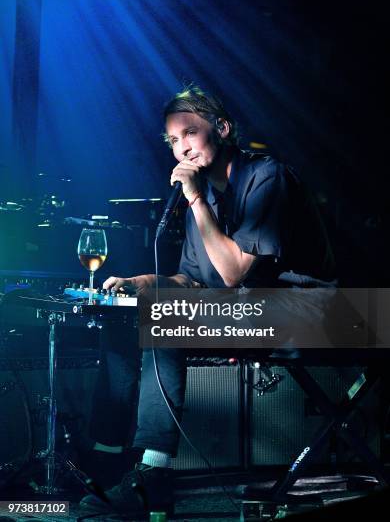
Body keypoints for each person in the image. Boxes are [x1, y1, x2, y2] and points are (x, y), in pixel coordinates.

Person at [80, 86, 336, 516]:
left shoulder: (265, 177)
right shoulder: (205, 199)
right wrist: (143, 282)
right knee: (123, 323)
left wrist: (195, 199)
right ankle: (106, 460)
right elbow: (193, 281)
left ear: (222, 128)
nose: (182, 149)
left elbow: (234, 271)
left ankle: (154, 477)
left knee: (165, 322)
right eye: (174, 141)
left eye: (190, 134)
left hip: (311, 312)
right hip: (247, 311)